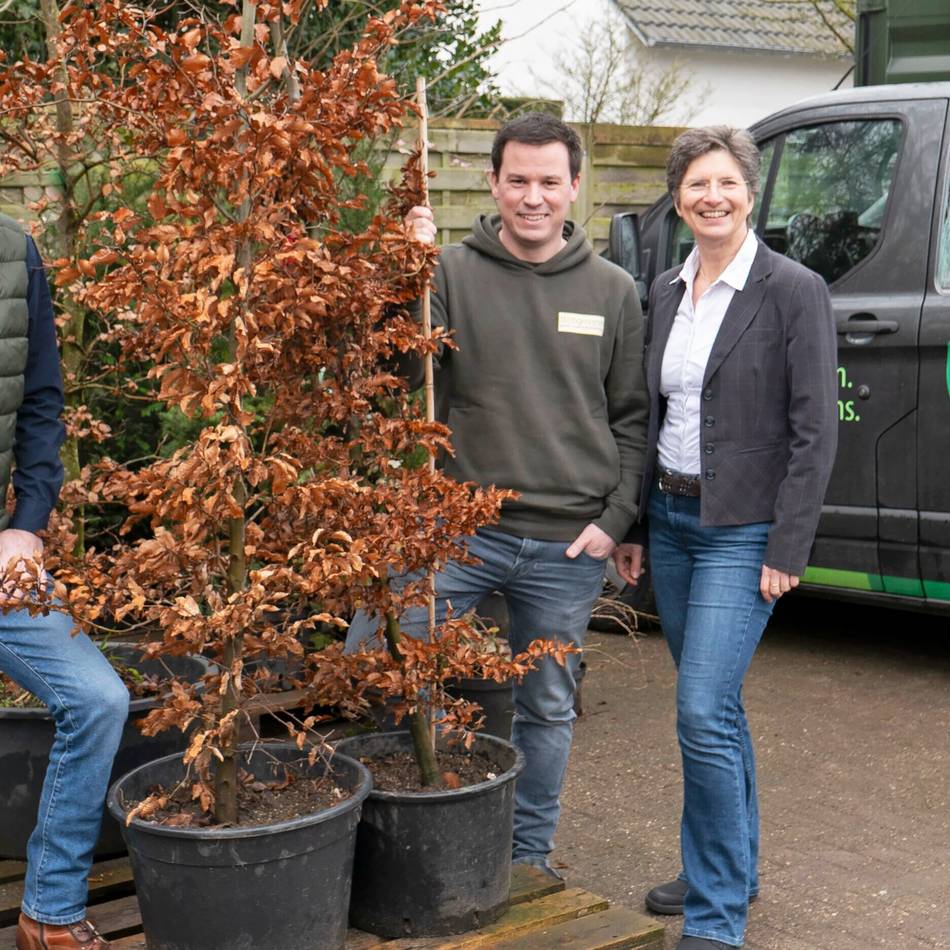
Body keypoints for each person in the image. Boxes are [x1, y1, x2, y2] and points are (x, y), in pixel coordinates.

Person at [347, 113, 648, 878]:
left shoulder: (614, 292)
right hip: (457, 532)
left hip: (565, 543)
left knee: (546, 707)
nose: (534, 197)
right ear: (492, 183)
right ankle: (414, 836)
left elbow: (633, 420)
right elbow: (402, 384)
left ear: (575, 186)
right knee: (379, 663)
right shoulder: (449, 271)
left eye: (550, 181)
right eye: (518, 180)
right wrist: (404, 282)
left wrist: (613, 523)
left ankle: (525, 857)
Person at [612, 127, 837, 950]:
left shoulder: (792, 289)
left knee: (701, 708)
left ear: (750, 193)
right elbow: (651, 415)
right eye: (696, 184)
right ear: (678, 197)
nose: (712, 196)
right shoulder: (666, 289)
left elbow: (816, 432)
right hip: (671, 525)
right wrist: (635, 524)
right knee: (719, 708)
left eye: (727, 183)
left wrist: (789, 547)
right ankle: (728, 869)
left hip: (744, 533)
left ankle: (715, 916)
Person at [0, 214, 128, 950]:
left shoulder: (17, 254)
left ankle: (47, 912)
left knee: (98, 698)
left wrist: (27, 520)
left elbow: (42, 403)